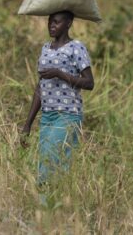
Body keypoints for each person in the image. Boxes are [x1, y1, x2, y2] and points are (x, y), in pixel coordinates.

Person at [21, 11, 94, 184]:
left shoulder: (76, 47)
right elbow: (40, 87)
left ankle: (49, 204)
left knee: (51, 161)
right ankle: (50, 207)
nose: (51, 26)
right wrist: (27, 124)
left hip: (67, 115)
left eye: (56, 22)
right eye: (49, 22)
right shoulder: (45, 49)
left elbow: (89, 83)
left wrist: (60, 74)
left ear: (68, 24)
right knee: (46, 163)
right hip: (47, 116)